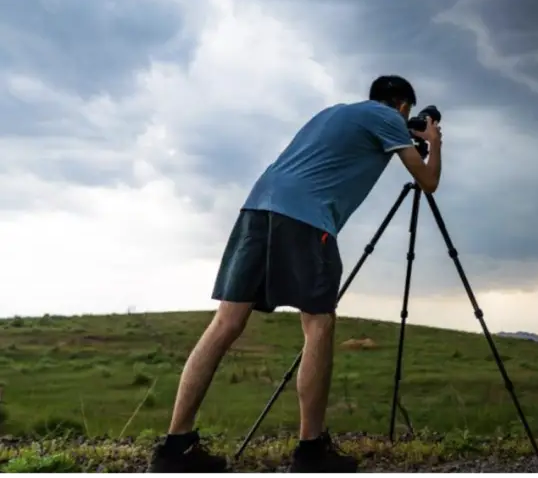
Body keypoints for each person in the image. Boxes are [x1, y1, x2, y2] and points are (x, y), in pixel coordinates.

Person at [148, 75, 442, 473]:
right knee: (318, 324)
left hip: (257, 206)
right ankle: (310, 451)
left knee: (226, 323)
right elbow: (428, 181)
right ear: (403, 106)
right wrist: (434, 143)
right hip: (305, 217)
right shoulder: (388, 118)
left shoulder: (336, 113)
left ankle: (174, 448)